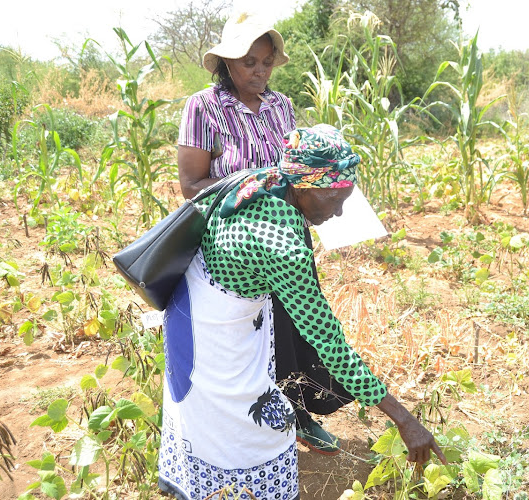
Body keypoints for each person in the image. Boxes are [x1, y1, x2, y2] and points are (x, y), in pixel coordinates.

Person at [159, 124, 445, 500]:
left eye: (346, 198)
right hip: (212, 332)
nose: (340, 212)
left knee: (211, 423)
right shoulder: (282, 246)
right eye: (333, 198)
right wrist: (405, 420)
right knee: (255, 434)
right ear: (305, 185)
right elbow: (330, 346)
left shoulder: (265, 180)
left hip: (195, 309)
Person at [176, 11, 347, 455]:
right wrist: (256, 179)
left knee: (291, 324)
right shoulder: (203, 107)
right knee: (248, 334)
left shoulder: (281, 106)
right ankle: (249, 421)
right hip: (236, 242)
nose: (260, 71)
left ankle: (297, 410)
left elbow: (298, 172)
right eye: (250, 62)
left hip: (286, 234)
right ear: (227, 64)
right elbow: (192, 186)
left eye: (267, 62)